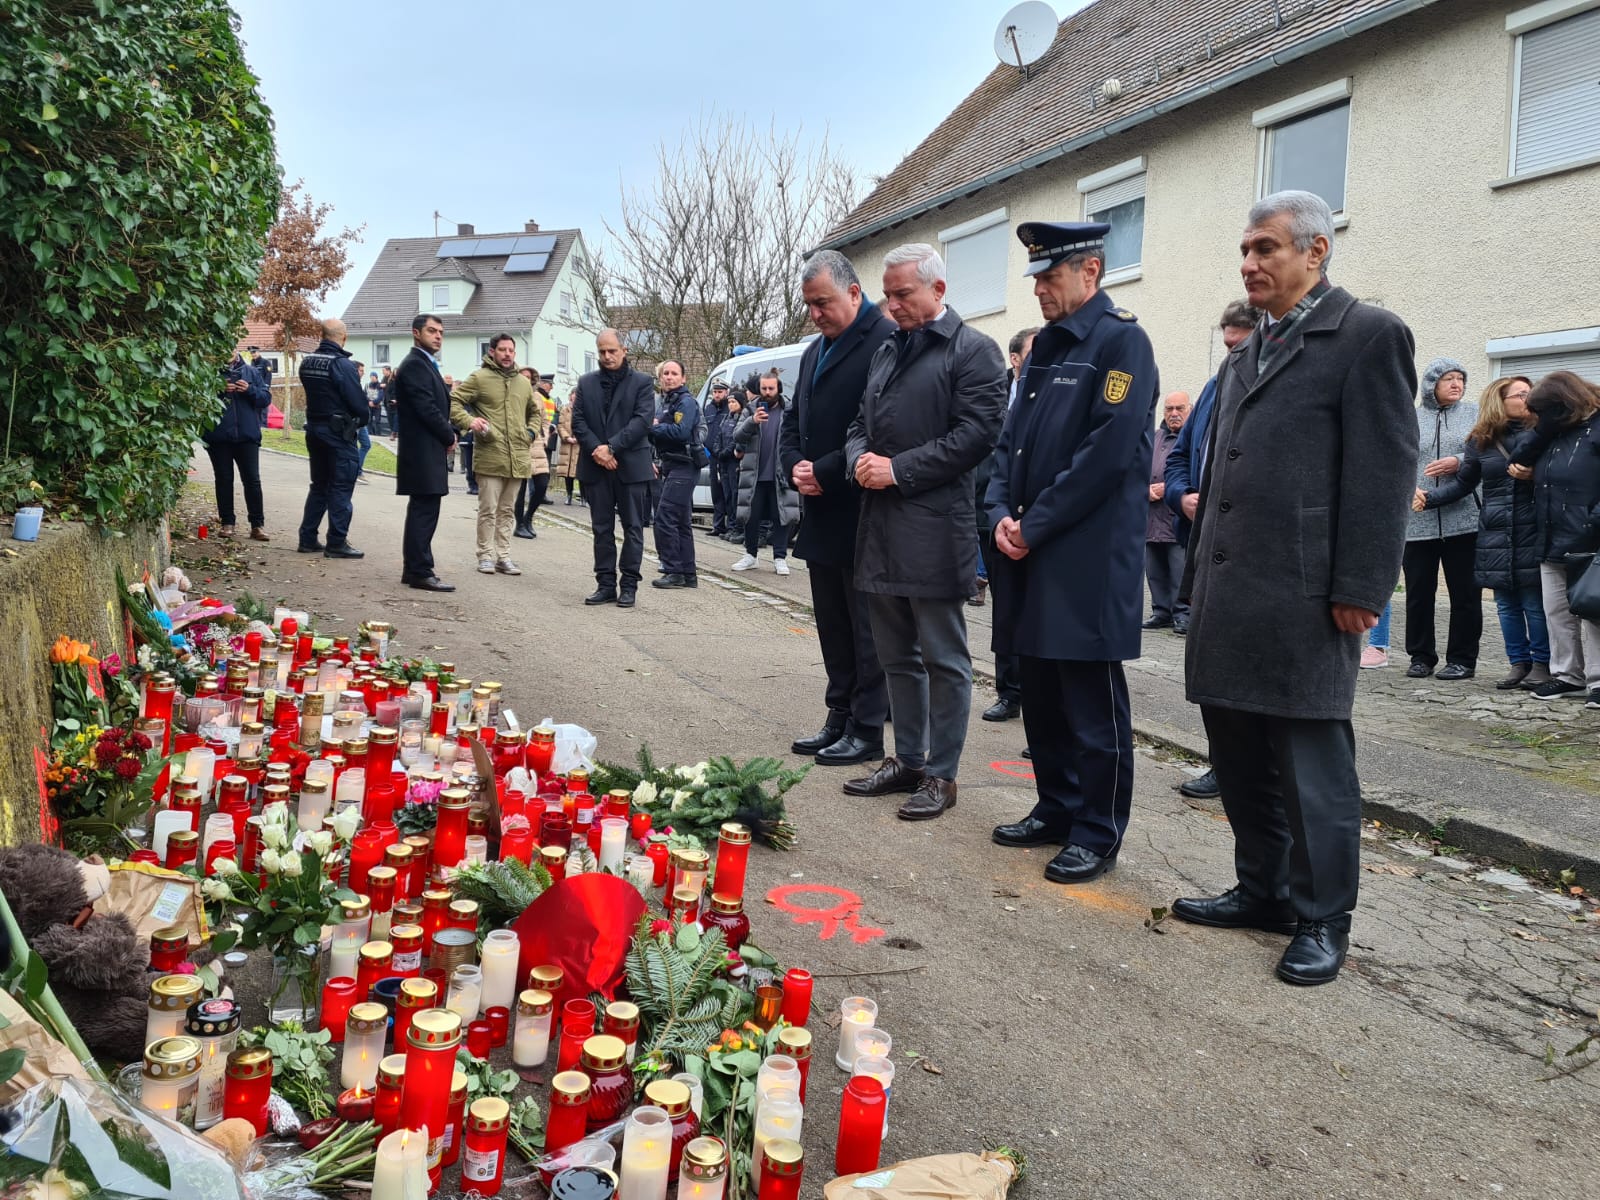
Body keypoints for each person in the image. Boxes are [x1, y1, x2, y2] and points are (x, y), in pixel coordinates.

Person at [1174, 190, 1418, 986]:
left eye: (1267, 249)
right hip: (1231, 597)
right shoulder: (1248, 349)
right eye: (1245, 251)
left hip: (1309, 598)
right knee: (1240, 762)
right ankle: (1264, 892)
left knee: (1313, 769)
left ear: (1316, 252)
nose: (1250, 264)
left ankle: (1321, 918)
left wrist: (1361, 586)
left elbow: (1384, 475)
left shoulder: (1368, 336)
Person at [986, 221, 1159, 883]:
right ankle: (1055, 806)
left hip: (1082, 558)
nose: (1038, 289)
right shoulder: (1046, 351)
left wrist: (1035, 525)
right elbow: (1010, 446)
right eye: (1034, 277)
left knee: (1090, 706)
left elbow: (1106, 456)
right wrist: (1000, 512)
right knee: (1044, 698)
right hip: (1028, 552)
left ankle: (1096, 830)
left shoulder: (1121, 344)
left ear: (1089, 271)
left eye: (1049, 277)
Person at [842, 242, 1006, 821]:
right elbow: (860, 423)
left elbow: (977, 436)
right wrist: (858, 458)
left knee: (944, 657)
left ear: (937, 290)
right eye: (887, 294)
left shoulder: (974, 352)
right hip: (881, 525)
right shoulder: (889, 349)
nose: (892, 304)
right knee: (895, 657)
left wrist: (897, 470)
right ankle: (907, 760)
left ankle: (942, 774)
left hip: (935, 529)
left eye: (902, 293)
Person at [779, 250, 896, 766]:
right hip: (819, 510)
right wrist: (792, 466)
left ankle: (868, 727)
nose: (815, 314)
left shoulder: (883, 342)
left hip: (861, 509)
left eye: (823, 302)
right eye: (808, 305)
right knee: (831, 622)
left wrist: (821, 471)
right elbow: (792, 419)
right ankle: (838, 715)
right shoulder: (814, 350)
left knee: (865, 627)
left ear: (854, 293)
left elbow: (875, 425)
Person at [1161, 302, 1258, 798]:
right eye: (1226, 346)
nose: (1233, 354)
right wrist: (1183, 495)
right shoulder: (1214, 387)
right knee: (1209, 666)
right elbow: (1178, 459)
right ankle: (1221, 763)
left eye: (1240, 345)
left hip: (1252, 554)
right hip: (1203, 546)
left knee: (1245, 669)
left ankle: (1247, 770)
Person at [1415, 376, 1548, 690]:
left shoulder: (1544, 434)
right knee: (1505, 603)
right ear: (1499, 401)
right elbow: (1464, 484)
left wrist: (1535, 474)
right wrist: (1427, 498)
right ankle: (1518, 664)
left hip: (1532, 526)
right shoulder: (1480, 440)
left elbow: (1564, 474)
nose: (1530, 398)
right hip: (1495, 530)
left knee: (1533, 601)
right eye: (1522, 394)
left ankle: (1542, 665)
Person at [1516, 372, 1600, 703]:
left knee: (1594, 610)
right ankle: (1568, 675)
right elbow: (1516, 460)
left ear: (1565, 403)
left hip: (1591, 538)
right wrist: (1542, 430)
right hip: (1550, 535)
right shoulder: (1552, 430)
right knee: (1558, 612)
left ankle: (1598, 681)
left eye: (1545, 413)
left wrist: (1593, 522)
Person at [1404, 358, 1482, 680]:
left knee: (1465, 594)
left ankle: (1462, 659)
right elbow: (1398, 457)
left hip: (1464, 520)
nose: (1456, 384)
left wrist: (1460, 460)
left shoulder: (1475, 414)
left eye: (1460, 379)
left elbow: (1490, 451)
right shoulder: (1412, 417)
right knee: (1419, 593)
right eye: (1448, 379)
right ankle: (1421, 657)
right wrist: (1408, 492)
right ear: (1430, 385)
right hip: (1417, 520)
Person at [977, 326, 1036, 725]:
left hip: (1034, 521)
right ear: (1015, 358)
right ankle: (1008, 691)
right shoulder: (992, 393)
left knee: (1034, 611)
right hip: (992, 514)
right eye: (1033, 351)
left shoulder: (1050, 392)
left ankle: (1037, 698)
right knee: (1004, 610)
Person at [572, 329, 656, 607]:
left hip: (630, 466)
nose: (607, 357)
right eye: (602, 352)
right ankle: (605, 583)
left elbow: (642, 421)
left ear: (624, 351)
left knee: (633, 527)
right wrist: (598, 449)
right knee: (601, 528)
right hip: (596, 466)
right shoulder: (586, 383)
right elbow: (579, 422)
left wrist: (612, 447)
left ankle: (629, 584)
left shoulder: (643, 383)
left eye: (612, 351)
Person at [450, 334, 541, 576]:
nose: (507, 354)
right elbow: (454, 402)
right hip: (490, 454)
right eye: (502, 349)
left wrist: (531, 432)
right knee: (488, 509)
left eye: (511, 350)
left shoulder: (523, 382)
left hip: (518, 456)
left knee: (508, 510)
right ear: (492, 352)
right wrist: (470, 421)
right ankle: (485, 555)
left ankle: (504, 556)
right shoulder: (479, 378)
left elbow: (535, 412)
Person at [392, 313, 457, 592]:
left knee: (424, 508)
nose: (438, 335)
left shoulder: (424, 363)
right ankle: (420, 570)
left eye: (441, 331)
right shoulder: (415, 365)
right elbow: (426, 407)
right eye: (432, 330)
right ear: (416, 333)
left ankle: (414, 568)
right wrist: (448, 434)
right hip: (422, 448)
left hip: (426, 447)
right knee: (424, 510)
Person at [295, 317, 367, 558]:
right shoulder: (342, 365)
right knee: (341, 486)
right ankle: (337, 542)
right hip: (337, 433)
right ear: (343, 337)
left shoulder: (307, 362)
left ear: (321, 335)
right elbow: (358, 404)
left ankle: (307, 538)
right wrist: (361, 419)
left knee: (319, 486)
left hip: (314, 429)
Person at [731, 372, 798, 575]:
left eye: (771, 389)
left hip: (780, 473)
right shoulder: (751, 409)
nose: (767, 393)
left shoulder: (789, 410)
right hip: (755, 474)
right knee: (751, 515)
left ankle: (780, 558)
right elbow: (737, 435)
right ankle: (750, 555)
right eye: (764, 389)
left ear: (778, 388)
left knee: (781, 517)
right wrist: (752, 420)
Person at [203, 352, 272, 541]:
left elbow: (265, 399)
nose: (228, 352)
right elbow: (198, 401)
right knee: (224, 479)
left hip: (247, 435)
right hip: (219, 436)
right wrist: (218, 391)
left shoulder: (251, 372)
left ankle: (257, 525)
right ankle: (227, 523)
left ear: (236, 350)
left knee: (252, 480)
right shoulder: (209, 373)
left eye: (231, 348)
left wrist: (249, 390)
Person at [650, 360, 701, 588]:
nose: (669, 377)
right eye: (666, 373)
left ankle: (673, 570)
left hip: (685, 464)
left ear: (683, 378)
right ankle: (688, 573)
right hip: (670, 464)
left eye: (674, 374)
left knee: (665, 516)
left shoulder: (686, 402)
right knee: (680, 521)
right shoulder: (665, 403)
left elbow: (681, 433)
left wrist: (653, 427)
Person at [1145, 391, 1191, 629]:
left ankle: (1182, 614)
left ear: (1189, 410)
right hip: (1151, 518)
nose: (1174, 414)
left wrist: (1171, 488)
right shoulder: (1154, 438)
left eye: (1179, 409)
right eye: (1169, 409)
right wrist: (1145, 490)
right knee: (1154, 570)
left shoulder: (1193, 438)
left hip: (1176, 519)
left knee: (1179, 571)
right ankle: (1160, 611)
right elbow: (1136, 470)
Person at [513, 369, 553, 539]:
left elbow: (545, 419)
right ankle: (519, 524)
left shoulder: (537, 397)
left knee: (542, 484)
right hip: (519, 445)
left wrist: (545, 437)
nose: (527, 379)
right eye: (524, 376)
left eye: (530, 377)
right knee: (520, 489)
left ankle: (528, 517)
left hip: (537, 445)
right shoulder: (512, 394)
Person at [714, 388, 745, 541]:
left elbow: (736, 440)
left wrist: (726, 452)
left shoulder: (741, 419)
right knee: (727, 496)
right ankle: (730, 526)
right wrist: (717, 451)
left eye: (734, 402)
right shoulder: (726, 418)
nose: (731, 405)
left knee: (735, 495)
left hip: (734, 463)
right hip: (723, 463)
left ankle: (738, 528)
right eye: (730, 402)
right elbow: (718, 437)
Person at [704, 381, 734, 536]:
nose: (717, 395)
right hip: (712, 456)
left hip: (726, 457)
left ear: (726, 392)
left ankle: (730, 526)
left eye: (720, 392)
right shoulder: (708, 409)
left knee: (727, 492)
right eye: (715, 391)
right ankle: (718, 525)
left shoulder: (729, 408)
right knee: (716, 491)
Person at [557, 387, 582, 504]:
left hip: (579, 445)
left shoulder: (584, 409)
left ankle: (584, 497)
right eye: (574, 394)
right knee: (567, 472)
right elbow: (560, 426)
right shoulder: (564, 410)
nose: (575, 396)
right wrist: (567, 437)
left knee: (580, 471)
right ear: (570, 396)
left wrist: (579, 437)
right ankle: (569, 494)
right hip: (567, 444)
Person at [366, 371, 386, 436]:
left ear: (376, 377)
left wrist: (373, 402)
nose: (372, 378)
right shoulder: (367, 385)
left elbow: (380, 396)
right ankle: (370, 434)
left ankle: (378, 434)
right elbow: (364, 394)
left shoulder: (379, 385)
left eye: (373, 377)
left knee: (377, 421)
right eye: (371, 377)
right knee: (369, 421)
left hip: (377, 406)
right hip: (369, 405)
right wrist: (369, 402)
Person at [381, 366, 398, 439]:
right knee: (390, 418)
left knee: (396, 418)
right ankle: (393, 432)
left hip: (397, 404)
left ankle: (394, 433)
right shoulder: (388, 380)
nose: (383, 372)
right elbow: (387, 391)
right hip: (388, 402)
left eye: (384, 370)